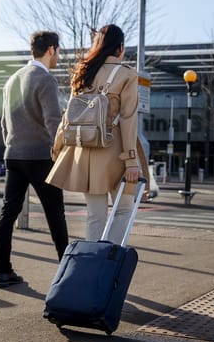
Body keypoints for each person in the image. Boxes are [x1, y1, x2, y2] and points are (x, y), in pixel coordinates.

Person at [48, 24, 148, 245]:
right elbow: (129, 119)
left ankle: (92, 268)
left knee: (95, 216)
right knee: (123, 210)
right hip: (114, 152)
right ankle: (108, 261)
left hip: (83, 152)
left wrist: (57, 148)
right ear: (120, 47)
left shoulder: (82, 72)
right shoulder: (126, 74)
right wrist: (132, 161)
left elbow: (68, 116)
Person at [0, 30, 69, 289]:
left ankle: (3, 271)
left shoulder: (12, 80)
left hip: (13, 155)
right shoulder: (45, 80)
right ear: (51, 50)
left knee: (8, 213)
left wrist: (12, 146)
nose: (59, 55)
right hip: (40, 157)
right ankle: (68, 274)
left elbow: (4, 123)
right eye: (59, 51)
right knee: (55, 214)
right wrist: (61, 152)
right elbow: (53, 121)